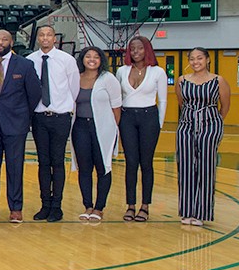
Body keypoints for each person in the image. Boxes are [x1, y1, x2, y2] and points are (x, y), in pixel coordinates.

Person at [0, 30, 40, 223]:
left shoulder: (25, 65)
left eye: (4, 39)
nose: (0, 42)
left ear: (11, 42)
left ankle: (16, 208)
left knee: (15, 167)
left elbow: (34, 94)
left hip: (16, 124)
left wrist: (22, 115)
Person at [27, 25, 80, 222]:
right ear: (38, 38)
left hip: (60, 116)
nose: (45, 38)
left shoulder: (67, 60)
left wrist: (64, 106)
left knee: (57, 161)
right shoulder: (30, 60)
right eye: (41, 35)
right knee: (43, 162)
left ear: (54, 38)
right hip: (39, 117)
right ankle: (45, 204)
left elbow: (74, 88)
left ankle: (57, 206)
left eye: (49, 34)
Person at [115, 36, 167, 222]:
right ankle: (130, 205)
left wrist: (158, 124)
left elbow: (163, 100)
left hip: (149, 117)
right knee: (131, 162)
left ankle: (145, 206)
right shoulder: (122, 71)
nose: (136, 52)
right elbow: (117, 97)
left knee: (146, 163)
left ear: (147, 50)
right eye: (132, 49)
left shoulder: (158, 72)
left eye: (140, 48)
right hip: (127, 117)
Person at [176, 47, 230, 226]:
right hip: (186, 126)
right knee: (185, 167)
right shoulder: (182, 81)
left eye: (199, 58)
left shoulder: (218, 80)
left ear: (207, 59)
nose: (195, 62)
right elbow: (181, 103)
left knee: (206, 167)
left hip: (210, 126)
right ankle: (187, 211)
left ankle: (201, 212)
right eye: (192, 59)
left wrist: (214, 123)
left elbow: (225, 105)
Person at [72, 47, 121, 221]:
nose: (92, 60)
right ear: (82, 59)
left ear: (101, 60)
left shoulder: (108, 78)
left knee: (103, 167)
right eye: (88, 56)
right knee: (84, 168)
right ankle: (88, 206)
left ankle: (99, 207)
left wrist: (112, 129)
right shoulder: (76, 77)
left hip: (103, 128)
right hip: (80, 127)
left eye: (96, 57)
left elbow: (116, 108)